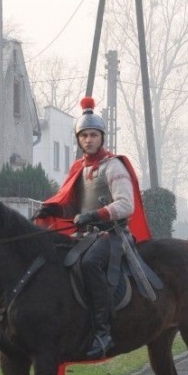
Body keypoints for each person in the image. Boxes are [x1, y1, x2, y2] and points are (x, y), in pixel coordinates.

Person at [34, 97, 151, 359]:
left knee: (89, 265)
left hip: (113, 235)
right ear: (78, 139)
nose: (88, 139)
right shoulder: (79, 169)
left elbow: (126, 205)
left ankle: (103, 331)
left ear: (102, 137)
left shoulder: (113, 166)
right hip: (86, 237)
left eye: (93, 135)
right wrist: (55, 209)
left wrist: (96, 214)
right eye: (84, 135)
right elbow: (75, 209)